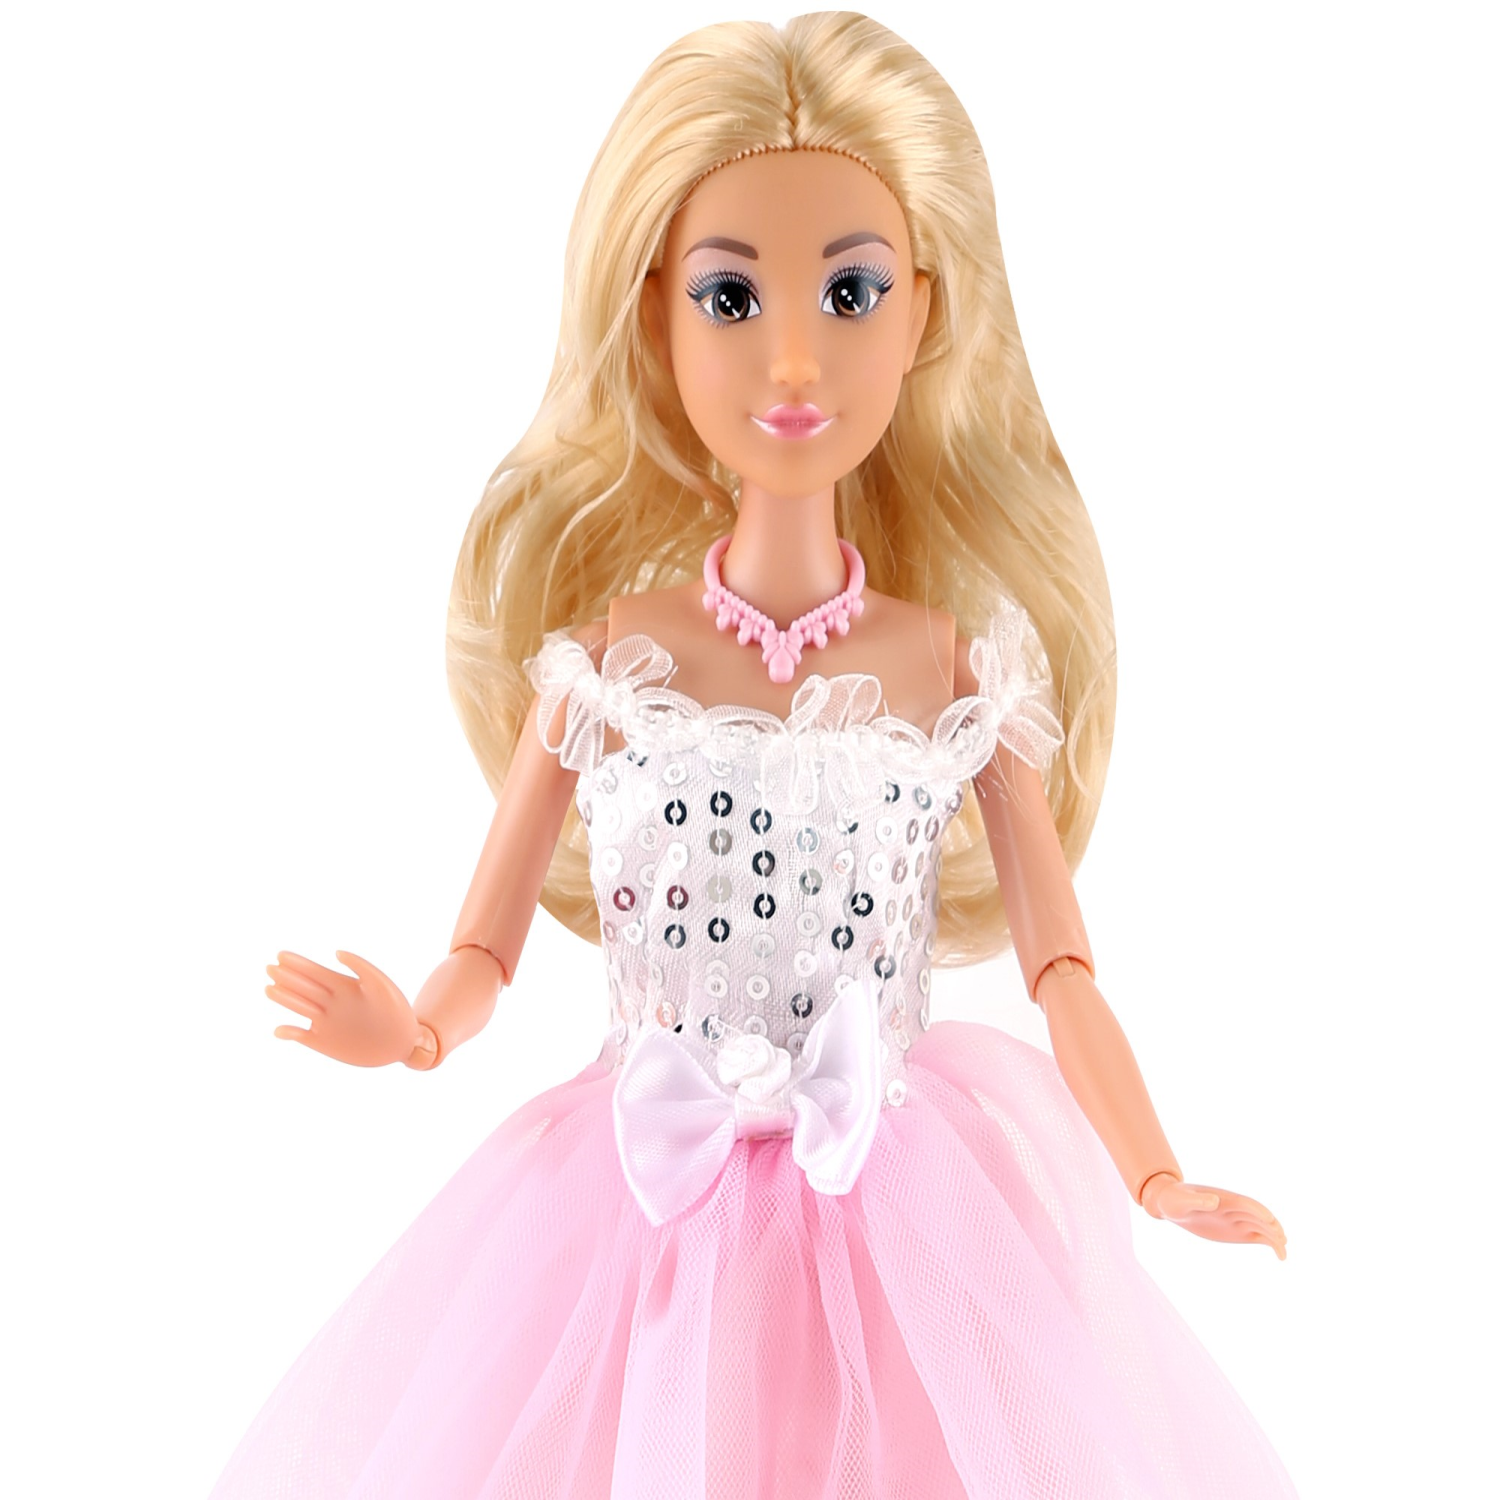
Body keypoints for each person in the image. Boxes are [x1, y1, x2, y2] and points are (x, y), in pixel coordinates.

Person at [215, 13, 1297, 1496]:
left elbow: (1063, 969)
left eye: (851, 292)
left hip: (905, 1200)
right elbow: (484, 947)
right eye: (731, 297)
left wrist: (1152, 1172)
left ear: (923, 311)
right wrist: (415, 1030)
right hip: (634, 1202)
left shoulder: (953, 671)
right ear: (655, 314)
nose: (794, 356)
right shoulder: (605, 664)